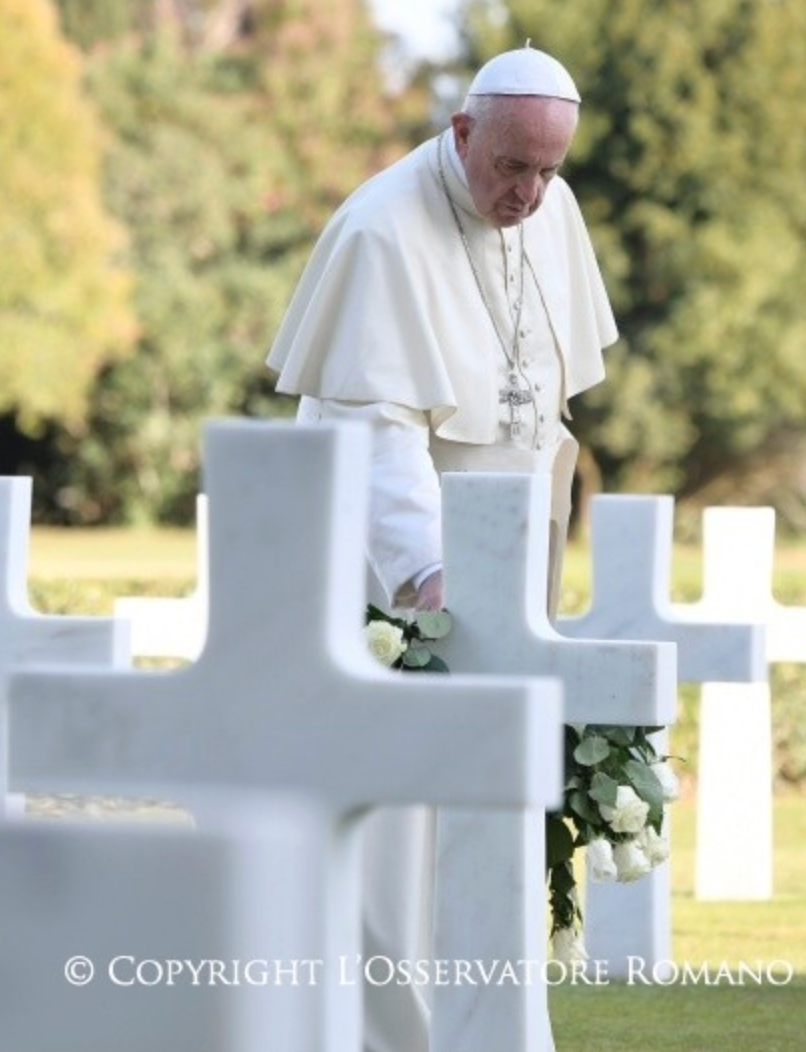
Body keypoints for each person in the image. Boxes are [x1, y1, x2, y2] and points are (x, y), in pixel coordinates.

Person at [264, 46, 618, 1052]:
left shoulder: (554, 212)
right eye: (511, 165)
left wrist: (522, 586)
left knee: (494, 820)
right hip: (404, 592)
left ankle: (495, 1028)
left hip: (508, 578)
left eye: (549, 170)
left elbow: (541, 402)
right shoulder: (382, 230)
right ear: (461, 132)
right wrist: (433, 574)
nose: (529, 192)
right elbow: (369, 438)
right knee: (396, 833)